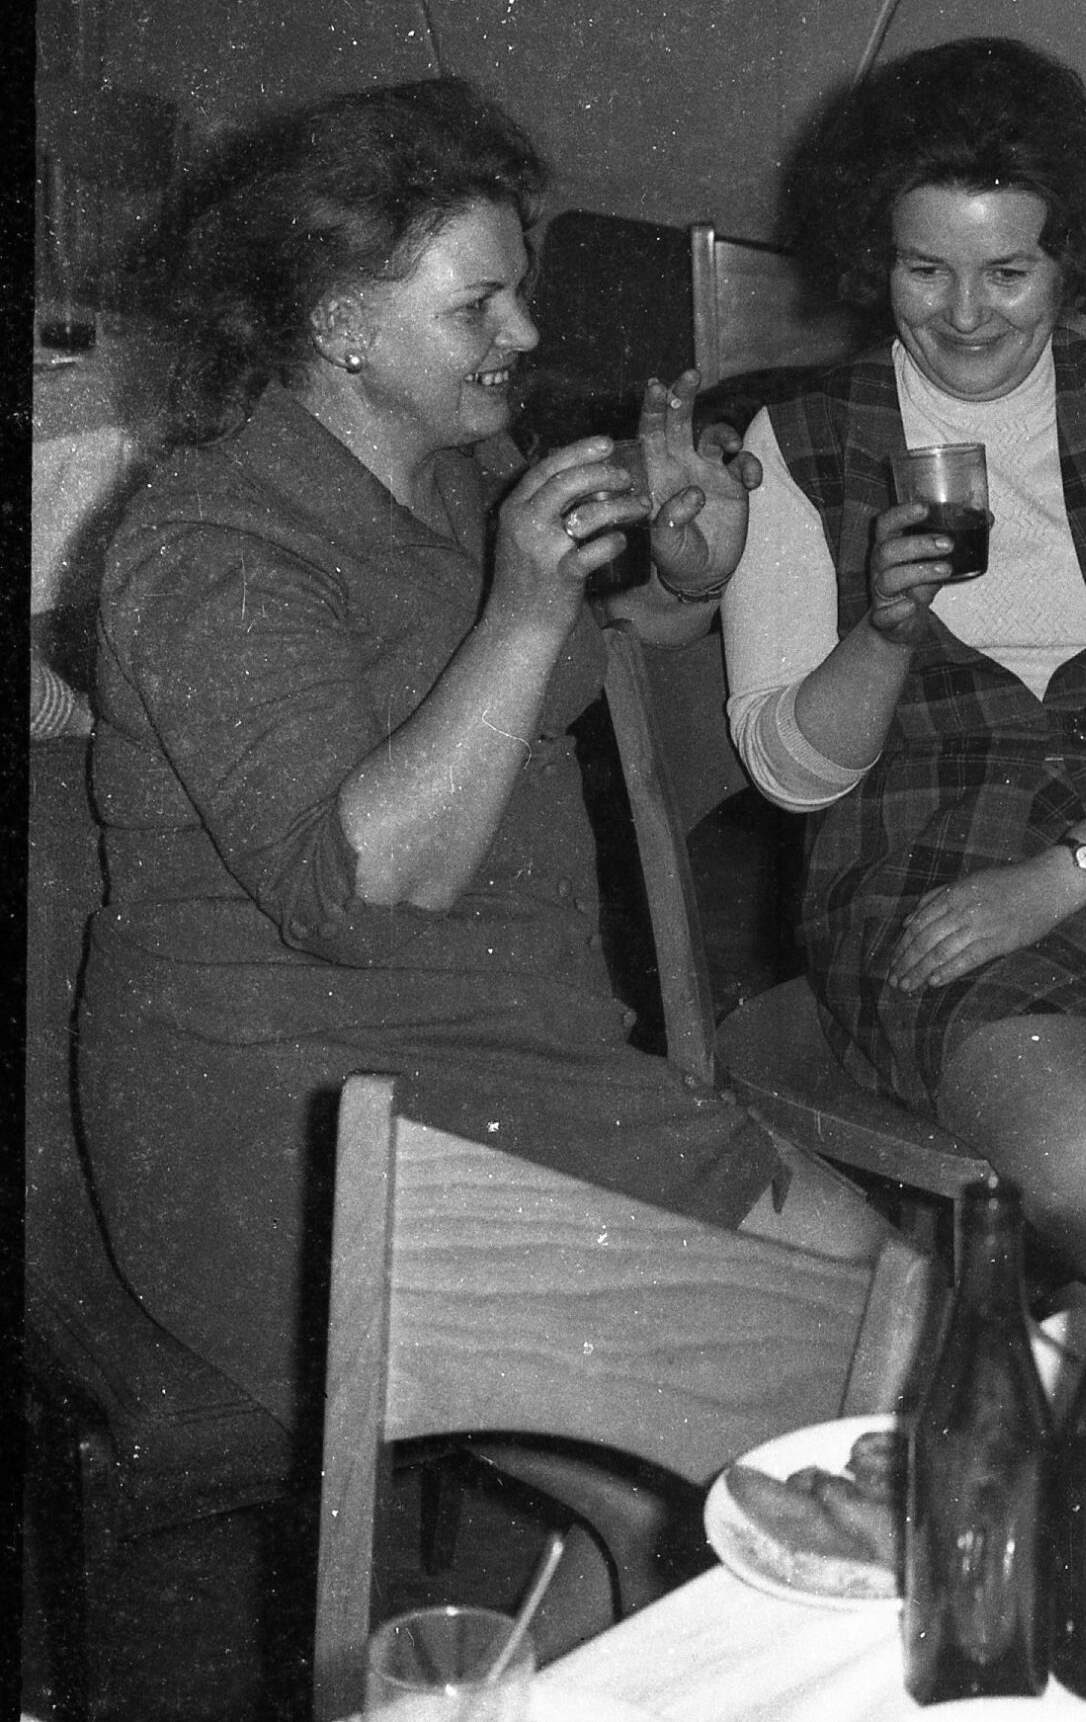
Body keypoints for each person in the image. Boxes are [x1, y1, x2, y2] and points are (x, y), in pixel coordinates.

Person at [75, 78, 881, 1437]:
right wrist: (524, 605)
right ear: (340, 326)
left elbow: (561, 668)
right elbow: (371, 885)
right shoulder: (210, 549)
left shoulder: (459, 462)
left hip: (507, 1047)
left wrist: (686, 574)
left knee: (870, 1295)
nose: (528, 331)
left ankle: (612, 1554)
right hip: (295, 1118)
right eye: (477, 307)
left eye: (520, 289)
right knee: (821, 1360)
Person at [719, 37, 1086, 1281]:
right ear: (875, 257)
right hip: (919, 857)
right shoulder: (800, 440)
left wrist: (1063, 877)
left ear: (1068, 261)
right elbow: (789, 774)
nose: (964, 315)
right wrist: (882, 632)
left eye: (1008, 271)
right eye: (924, 269)